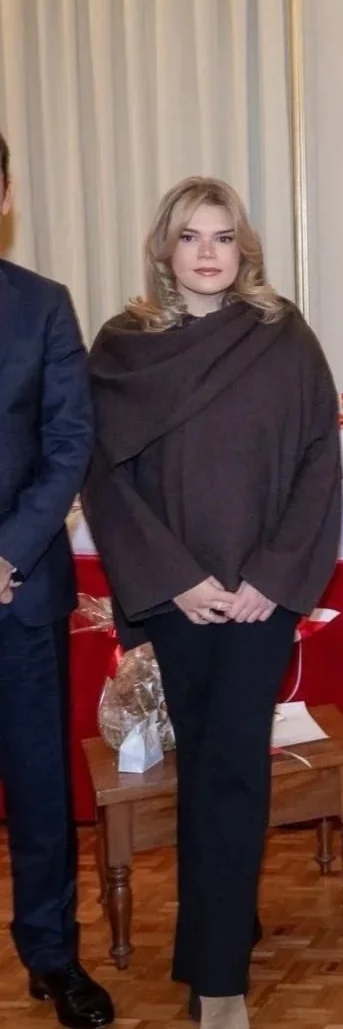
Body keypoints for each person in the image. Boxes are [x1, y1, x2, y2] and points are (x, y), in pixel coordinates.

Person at [82, 177, 342, 1029]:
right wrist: (176, 580)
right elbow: (105, 478)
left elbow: (316, 463)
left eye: (222, 237)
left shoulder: (284, 336)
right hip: (177, 598)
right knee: (203, 775)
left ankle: (219, 973)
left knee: (235, 772)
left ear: (245, 251)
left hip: (261, 599)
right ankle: (218, 938)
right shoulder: (122, 348)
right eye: (190, 236)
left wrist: (269, 578)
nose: (205, 252)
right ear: (165, 249)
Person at [0, 133, 115, 1029]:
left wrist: (10, 550)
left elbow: (69, 442)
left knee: (41, 788)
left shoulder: (43, 307)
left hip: (19, 589)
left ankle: (52, 954)